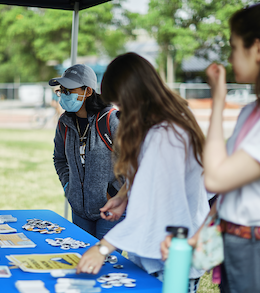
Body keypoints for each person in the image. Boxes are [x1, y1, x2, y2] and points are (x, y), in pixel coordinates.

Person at [76, 53, 209, 293]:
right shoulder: (163, 125)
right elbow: (151, 173)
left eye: (122, 103)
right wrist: (123, 195)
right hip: (156, 255)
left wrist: (102, 249)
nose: (120, 110)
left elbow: (152, 206)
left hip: (173, 260)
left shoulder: (167, 134)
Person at [161, 4, 260, 293]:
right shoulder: (249, 113)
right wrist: (197, 238)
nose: (229, 58)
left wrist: (218, 101)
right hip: (234, 241)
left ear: (257, 49)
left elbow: (215, 178)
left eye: (233, 47)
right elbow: (227, 189)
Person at [51, 64, 124, 240]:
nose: (64, 95)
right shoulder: (64, 123)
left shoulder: (111, 119)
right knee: (81, 259)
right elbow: (59, 159)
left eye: (69, 90)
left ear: (88, 92)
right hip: (80, 211)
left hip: (110, 209)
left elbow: (132, 162)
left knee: (105, 262)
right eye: (62, 91)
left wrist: (115, 193)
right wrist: (70, 187)